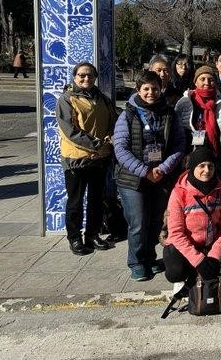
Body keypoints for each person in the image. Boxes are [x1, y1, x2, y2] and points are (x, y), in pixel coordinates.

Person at [113, 70, 186, 281]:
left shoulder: (169, 113)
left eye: (154, 88)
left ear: (160, 88)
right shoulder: (127, 114)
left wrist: (163, 168)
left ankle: (149, 257)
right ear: (138, 90)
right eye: (146, 89)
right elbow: (121, 149)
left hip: (161, 176)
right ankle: (136, 262)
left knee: (155, 221)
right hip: (133, 178)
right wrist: (145, 171)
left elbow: (178, 144)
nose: (150, 92)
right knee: (138, 222)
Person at [56, 62, 117, 256]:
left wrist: (108, 141)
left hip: (99, 160)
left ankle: (92, 234)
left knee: (96, 200)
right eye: (82, 75)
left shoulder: (103, 99)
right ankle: (74, 237)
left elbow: (112, 122)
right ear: (74, 77)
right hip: (76, 159)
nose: (86, 78)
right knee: (75, 201)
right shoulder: (67, 99)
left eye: (90, 75)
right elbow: (70, 130)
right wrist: (98, 145)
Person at [163, 146, 221, 291]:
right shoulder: (179, 193)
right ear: (193, 168)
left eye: (210, 166)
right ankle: (188, 274)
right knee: (175, 272)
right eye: (201, 166)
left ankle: (214, 267)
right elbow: (176, 233)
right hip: (186, 244)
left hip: (211, 242)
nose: (207, 170)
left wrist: (215, 255)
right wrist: (199, 261)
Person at [175, 66, 221, 176]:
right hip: (192, 160)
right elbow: (177, 135)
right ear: (195, 82)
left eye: (211, 80)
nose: (207, 82)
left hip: (217, 159)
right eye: (202, 79)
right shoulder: (185, 102)